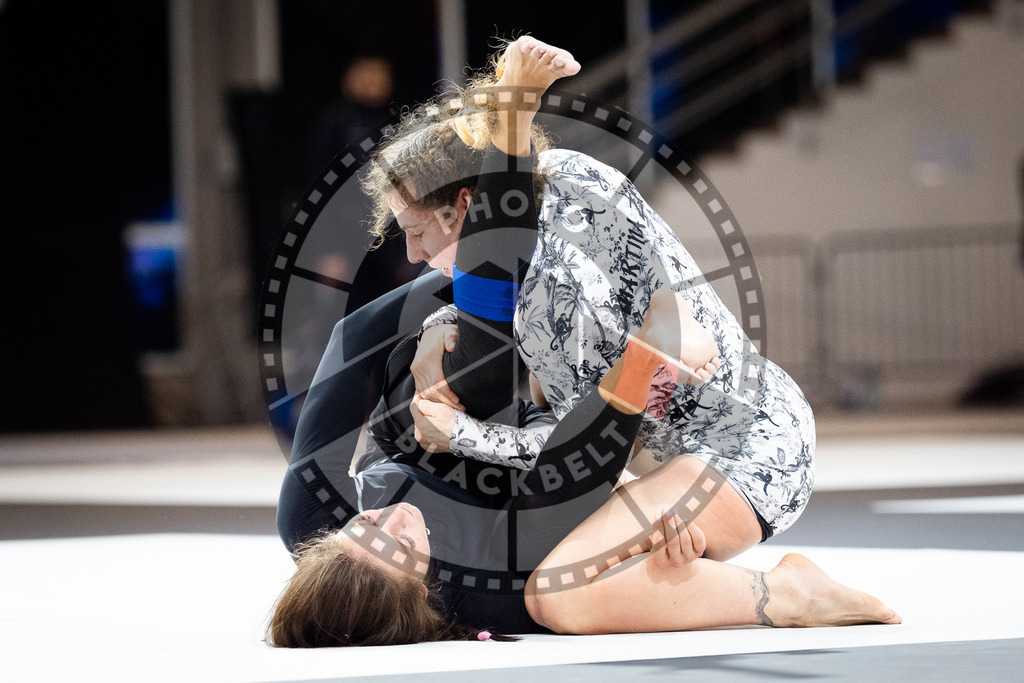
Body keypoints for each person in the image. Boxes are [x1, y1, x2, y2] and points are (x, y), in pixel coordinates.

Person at [269, 37, 899, 647]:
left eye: (416, 233)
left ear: (459, 207)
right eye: (399, 544)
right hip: (677, 437)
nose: (390, 518)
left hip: (737, 431)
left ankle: (781, 592)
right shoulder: (488, 583)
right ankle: (786, 594)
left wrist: (439, 331)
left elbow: (625, 330)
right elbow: (594, 431)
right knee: (562, 591)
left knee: (557, 566)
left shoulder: (555, 258)